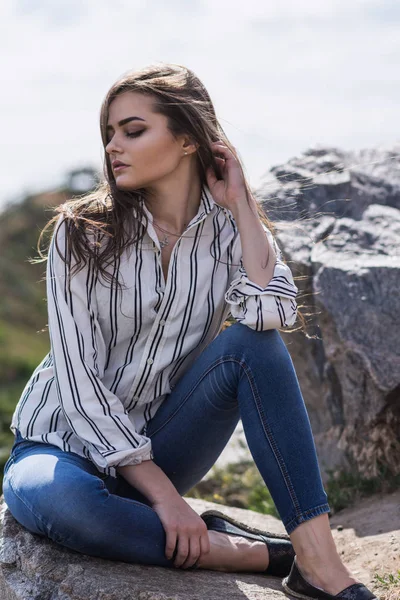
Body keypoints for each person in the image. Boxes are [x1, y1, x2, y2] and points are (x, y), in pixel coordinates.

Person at [2, 63, 378, 600]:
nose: (114, 146)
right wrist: (170, 502)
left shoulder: (226, 227)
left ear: (186, 139)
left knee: (253, 346)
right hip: (61, 445)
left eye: (133, 130)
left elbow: (270, 313)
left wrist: (242, 204)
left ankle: (318, 564)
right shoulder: (81, 233)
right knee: (68, 509)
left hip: (162, 440)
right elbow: (80, 381)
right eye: (109, 133)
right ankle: (247, 551)